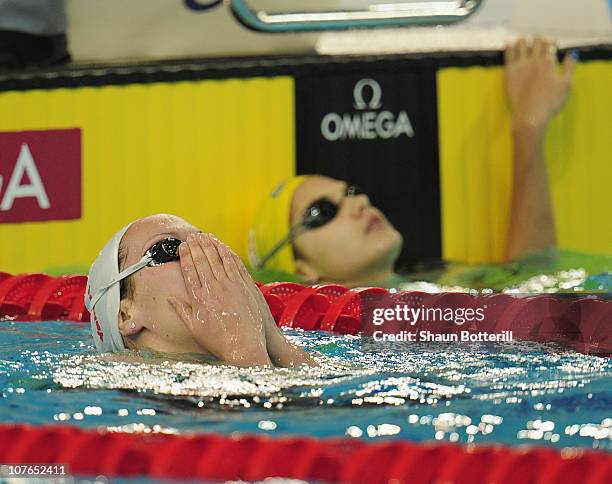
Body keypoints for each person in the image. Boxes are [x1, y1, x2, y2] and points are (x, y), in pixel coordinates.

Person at [248, 37, 580, 289]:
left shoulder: (448, 288)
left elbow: (533, 277)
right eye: (323, 211)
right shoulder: (318, 335)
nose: (360, 203)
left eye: (351, 192)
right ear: (302, 269)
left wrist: (530, 128)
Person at [85, 213, 316, 368]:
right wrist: (242, 349)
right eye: (169, 248)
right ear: (125, 315)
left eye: (205, 243)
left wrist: (274, 341)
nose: (200, 257)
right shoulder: (130, 386)